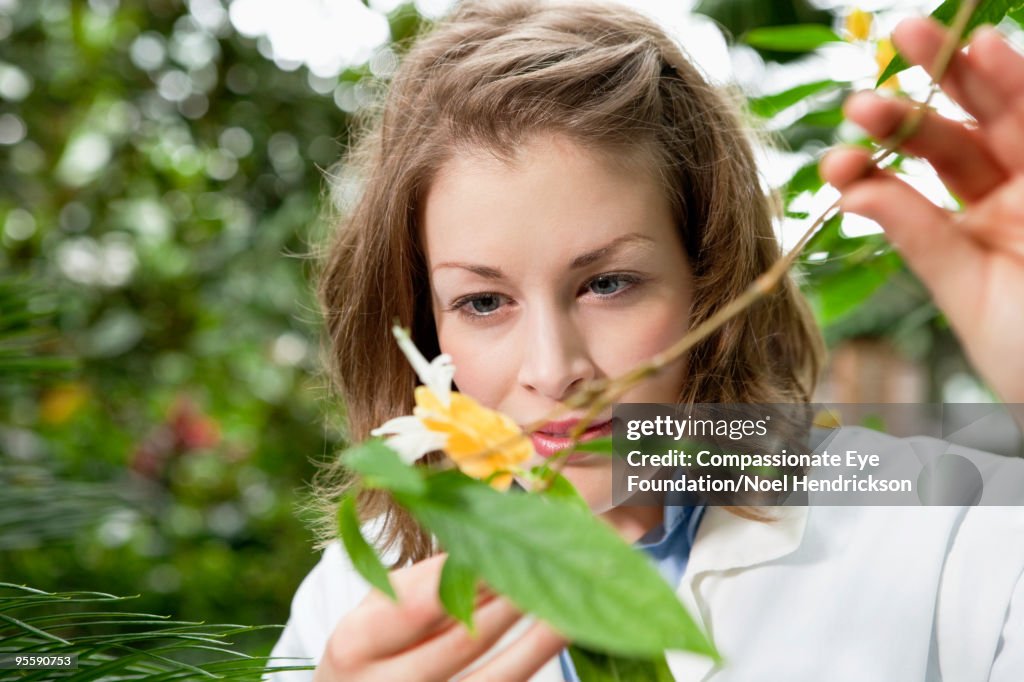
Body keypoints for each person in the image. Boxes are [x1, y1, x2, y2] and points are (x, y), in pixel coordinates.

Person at [265, 0, 1024, 679]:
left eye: (607, 284)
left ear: (710, 277)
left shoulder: (945, 527)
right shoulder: (357, 601)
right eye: (485, 301)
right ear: (426, 324)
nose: (555, 371)